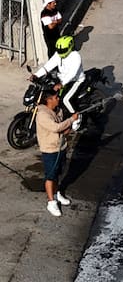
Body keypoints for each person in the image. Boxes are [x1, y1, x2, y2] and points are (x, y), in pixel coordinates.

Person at [36, 88, 79, 217]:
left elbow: (62, 128)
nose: (58, 99)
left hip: (60, 147)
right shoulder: (42, 114)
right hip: (50, 150)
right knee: (50, 175)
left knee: (58, 172)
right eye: (56, 97)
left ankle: (57, 192)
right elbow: (55, 128)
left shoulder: (58, 110)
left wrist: (70, 127)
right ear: (48, 99)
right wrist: (71, 120)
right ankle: (51, 201)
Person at [33, 35, 86, 126]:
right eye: (59, 50)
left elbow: (72, 73)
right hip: (61, 79)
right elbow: (48, 66)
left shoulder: (75, 56)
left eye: (63, 50)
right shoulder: (58, 54)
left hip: (76, 81)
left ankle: (76, 117)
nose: (60, 52)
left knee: (66, 99)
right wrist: (36, 75)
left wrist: (61, 83)